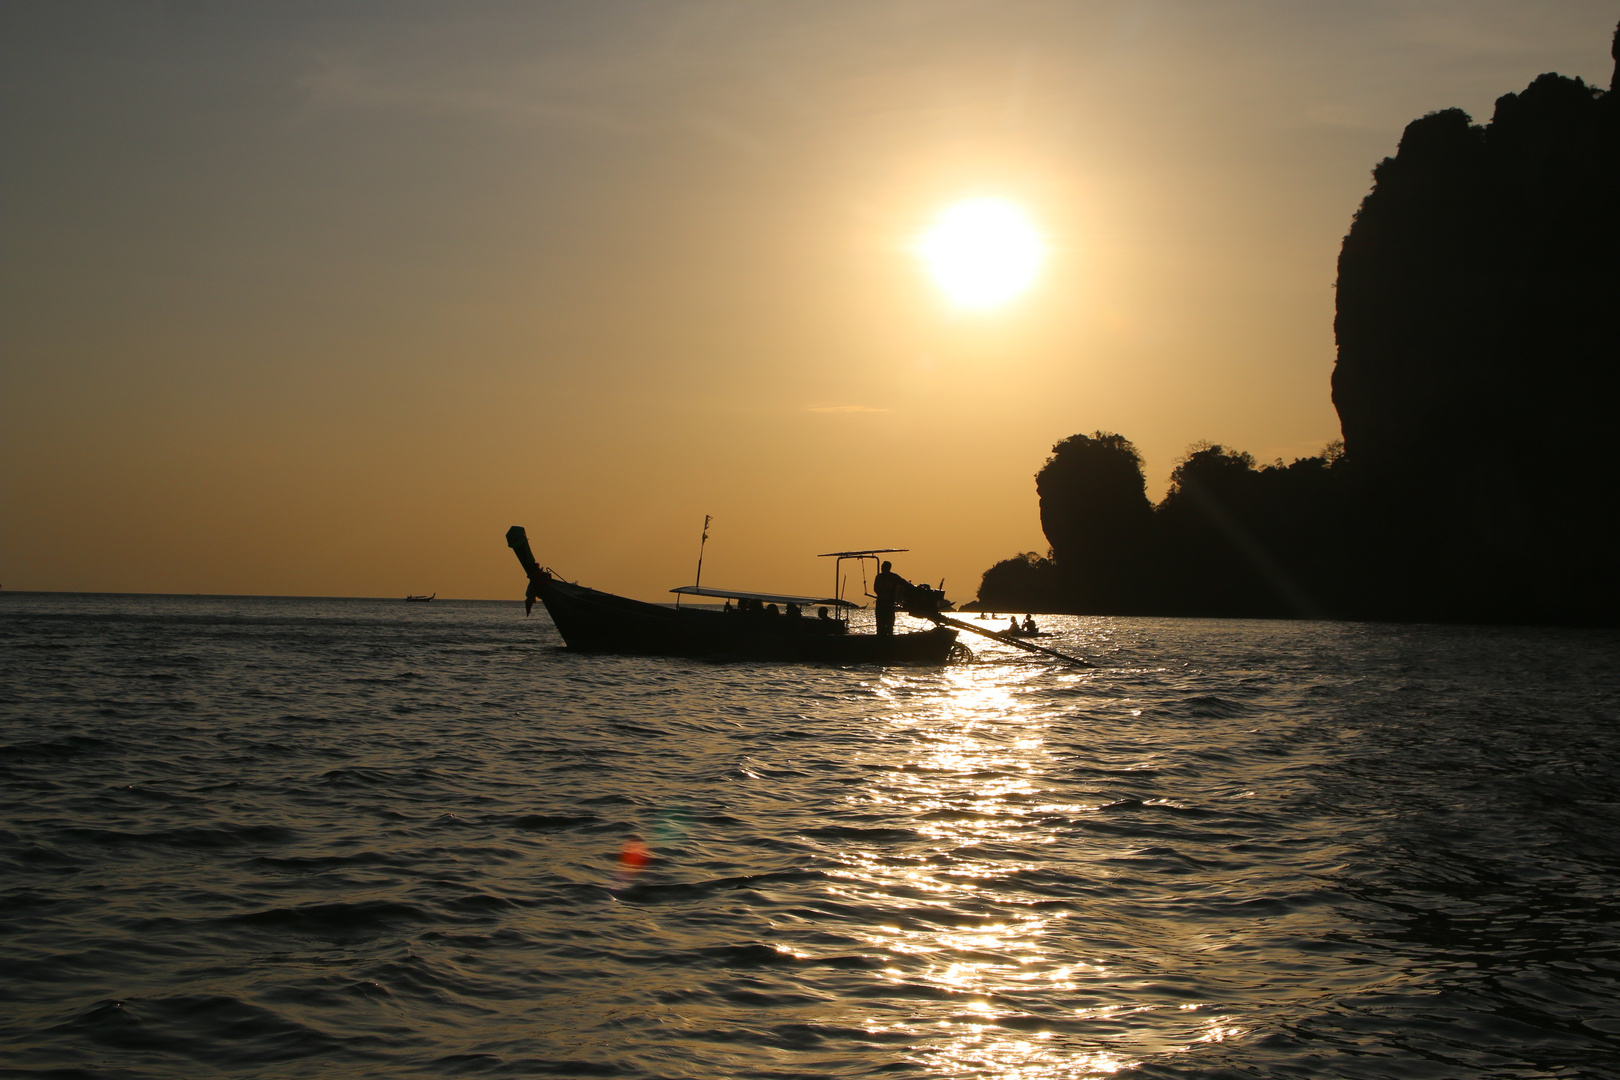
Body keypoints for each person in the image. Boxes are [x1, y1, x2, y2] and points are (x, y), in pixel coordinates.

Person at [873, 560, 909, 637]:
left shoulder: (891, 577)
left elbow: (904, 583)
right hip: (883, 604)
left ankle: (886, 638)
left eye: (883, 567)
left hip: (887, 604)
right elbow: (876, 589)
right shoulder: (881, 577)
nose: (882, 568)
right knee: (882, 624)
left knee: (887, 624)